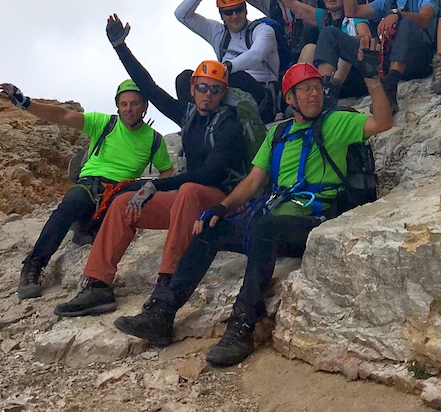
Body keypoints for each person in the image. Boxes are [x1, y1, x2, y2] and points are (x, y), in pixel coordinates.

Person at [113, 61, 392, 367]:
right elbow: (253, 181)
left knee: (265, 228)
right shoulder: (279, 134)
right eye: (305, 90)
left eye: (316, 88)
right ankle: (162, 314)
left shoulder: (336, 122)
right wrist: (221, 208)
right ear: (290, 99)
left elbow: (382, 123)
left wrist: (371, 78)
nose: (314, 95)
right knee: (210, 229)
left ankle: (242, 326)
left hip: (316, 218)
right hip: (275, 219)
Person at [54, 21, 250, 317]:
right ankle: (97, 285)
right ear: (193, 88)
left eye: (215, 89)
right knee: (122, 204)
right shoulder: (188, 115)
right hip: (190, 203)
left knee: (187, 189)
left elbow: (210, 175)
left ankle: (166, 284)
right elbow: (149, 88)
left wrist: (154, 184)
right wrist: (121, 48)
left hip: (224, 203)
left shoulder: (229, 125)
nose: (207, 94)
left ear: (222, 93)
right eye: (202, 87)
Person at [0, 79, 173, 300]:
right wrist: (25, 103)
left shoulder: (154, 139)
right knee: (71, 203)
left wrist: (154, 193)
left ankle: (85, 227)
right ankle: (34, 264)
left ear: (145, 106)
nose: (129, 109)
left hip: (122, 190)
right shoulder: (104, 123)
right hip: (91, 184)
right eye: (124, 104)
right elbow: (63, 116)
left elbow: (166, 171)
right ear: (117, 106)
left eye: (135, 103)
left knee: (128, 197)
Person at [175, 0, 280, 122]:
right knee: (186, 79)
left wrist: (227, 68)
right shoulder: (217, 32)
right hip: (223, 92)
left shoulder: (262, 30)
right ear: (221, 15)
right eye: (228, 12)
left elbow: (257, 54)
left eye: (239, 9)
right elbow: (181, 14)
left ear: (246, 9)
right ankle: (194, 124)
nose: (235, 16)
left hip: (262, 97)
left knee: (235, 76)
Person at [262, 0, 375, 106]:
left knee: (338, 46)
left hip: (355, 75)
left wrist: (340, 41)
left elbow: (365, 38)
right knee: (309, 48)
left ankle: (326, 91)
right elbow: (292, 3)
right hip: (330, 76)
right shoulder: (323, 17)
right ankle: (298, 95)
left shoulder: (355, 15)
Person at [344, 0, 441, 112]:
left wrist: (398, 15)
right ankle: (330, 88)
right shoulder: (386, 2)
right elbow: (352, 11)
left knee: (407, 22)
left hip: (421, 59)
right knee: (332, 35)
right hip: (391, 61)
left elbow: (425, 18)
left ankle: (391, 84)